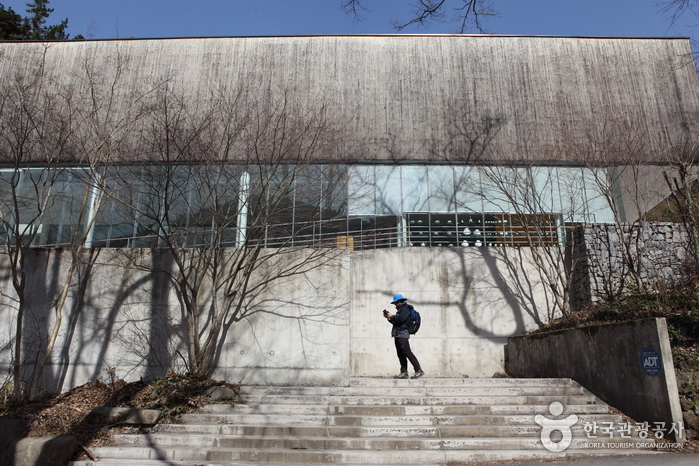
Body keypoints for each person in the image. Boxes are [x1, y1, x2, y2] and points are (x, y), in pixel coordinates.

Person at [383, 294, 424, 379]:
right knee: (400, 354)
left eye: (395, 302)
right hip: (398, 334)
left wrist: (392, 316)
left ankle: (418, 370)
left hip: (402, 334)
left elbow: (401, 319)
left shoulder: (405, 308)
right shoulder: (401, 309)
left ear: (399, 301)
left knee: (407, 352)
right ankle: (404, 372)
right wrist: (389, 318)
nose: (395, 304)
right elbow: (397, 321)